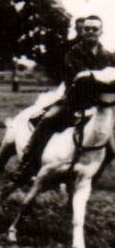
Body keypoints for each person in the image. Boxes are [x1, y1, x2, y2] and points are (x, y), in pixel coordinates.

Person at [12, 15, 115, 182]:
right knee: (47, 120)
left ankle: (91, 175)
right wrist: (106, 81)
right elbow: (80, 81)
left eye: (94, 29)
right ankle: (26, 164)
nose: (90, 32)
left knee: (110, 148)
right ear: (82, 31)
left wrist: (96, 79)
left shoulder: (109, 56)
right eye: (87, 29)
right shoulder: (73, 54)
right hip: (74, 104)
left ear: (101, 32)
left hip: (100, 108)